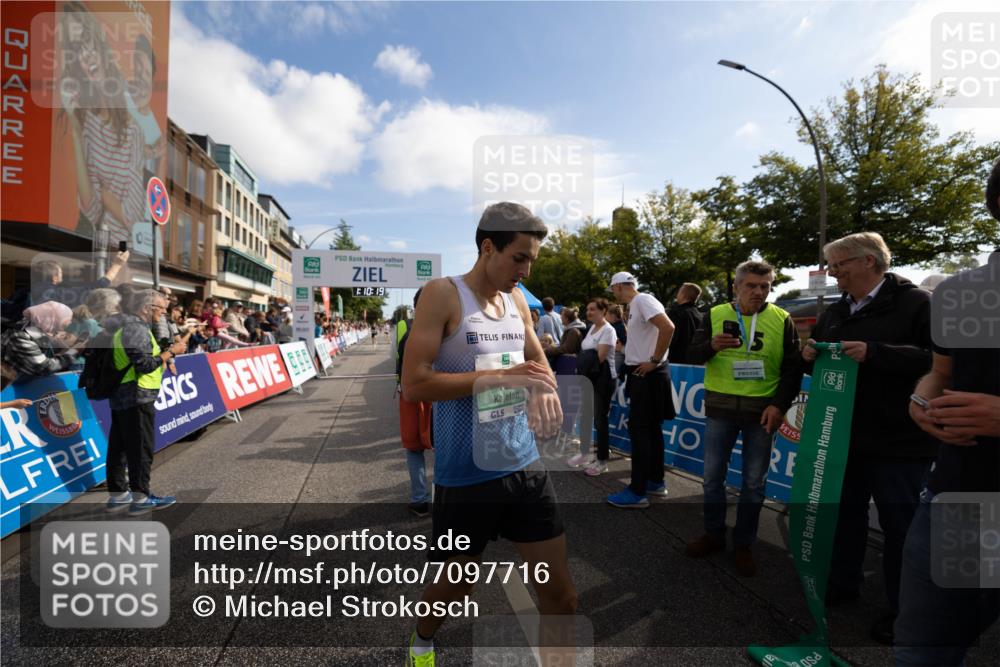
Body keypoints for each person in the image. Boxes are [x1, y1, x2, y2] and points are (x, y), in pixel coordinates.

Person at [401, 202, 575, 667]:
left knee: (561, 596)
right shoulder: (443, 294)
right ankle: (421, 639)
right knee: (454, 586)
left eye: (533, 259)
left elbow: (538, 368)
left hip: (523, 467)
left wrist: (542, 392)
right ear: (487, 246)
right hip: (466, 476)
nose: (526, 268)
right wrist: (504, 380)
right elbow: (414, 382)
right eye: (519, 257)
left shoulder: (517, 300)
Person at [801, 232, 936, 644]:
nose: (832, 273)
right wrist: (808, 357)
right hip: (845, 436)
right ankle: (843, 584)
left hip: (901, 441)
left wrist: (876, 352)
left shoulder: (919, 304)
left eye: (839, 265)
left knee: (901, 529)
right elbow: (824, 365)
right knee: (844, 517)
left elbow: (943, 359)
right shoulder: (836, 311)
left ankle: (905, 612)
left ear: (869, 262)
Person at [893, 160, 1000, 664]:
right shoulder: (964, 292)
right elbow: (941, 372)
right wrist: (922, 400)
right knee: (923, 653)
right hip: (958, 503)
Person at [684, 260, 801, 576]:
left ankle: (744, 544)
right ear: (736, 287)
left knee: (752, 483)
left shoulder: (782, 319)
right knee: (712, 479)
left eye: (765, 286)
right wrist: (711, 346)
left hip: (761, 413)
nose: (759, 292)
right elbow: (691, 354)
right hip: (721, 411)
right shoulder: (716, 314)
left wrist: (779, 405)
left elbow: (793, 368)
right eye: (751, 286)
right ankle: (714, 534)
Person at [58, 1, 145, 246]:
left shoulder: (132, 125)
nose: (85, 56)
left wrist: (131, 228)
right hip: (100, 243)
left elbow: (135, 197)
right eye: (76, 50)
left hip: (126, 247)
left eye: (87, 41)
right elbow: (92, 207)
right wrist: (76, 131)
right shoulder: (87, 124)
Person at [103, 289, 187, 514]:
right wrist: (171, 352)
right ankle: (141, 498)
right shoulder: (136, 329)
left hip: (124, 395)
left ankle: (119, 494)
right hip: (137, 395)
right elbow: (144, 365)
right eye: (161, 309)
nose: (163, 313)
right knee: (140, 449)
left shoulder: (127, 327)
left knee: (119, 447)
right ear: (146, 308)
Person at [605, 272, 676, 509]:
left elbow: (668, 327)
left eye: (613, 289)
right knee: (651, 432)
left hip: (648, 374)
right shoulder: (637, 304)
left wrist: (655, 360)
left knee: (641, 433)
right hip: (646, 374)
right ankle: (655, 481)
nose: (613, 294)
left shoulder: (643, 300)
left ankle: (637, 491)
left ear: (619, 286)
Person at [567, 298, 618, 476]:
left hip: (603, 380)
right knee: (586, 417)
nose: (588, 312)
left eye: (593, 309)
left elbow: (600, 358)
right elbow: (587, 355)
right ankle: (583, 454)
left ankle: (602, 460)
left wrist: (583, 361)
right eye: (587, 309)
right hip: (588, 378)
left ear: (603, 311)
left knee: (599, 420)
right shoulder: (591, 329)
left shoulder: (608, 330)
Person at [397, 289, 433, 517]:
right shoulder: (448, 329)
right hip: (441, 394)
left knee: (414, 448)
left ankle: (420, 500)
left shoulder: (407, 330)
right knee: (448, 446)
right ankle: (449, 499)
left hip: (413, 396)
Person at [1, 302, 79, 378]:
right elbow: (44, 367)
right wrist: (73, 352)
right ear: (51, 320)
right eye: (63, 324)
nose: (63, 328)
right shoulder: (20, 337)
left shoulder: (38, 330)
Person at [667, 282, 704, 365]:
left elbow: (670, 337)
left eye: (679, 291)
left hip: (675, 362)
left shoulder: (676, 312)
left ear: (683, 294)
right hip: (695, 362)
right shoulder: (701, 316)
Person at [607, 303, 627, 378]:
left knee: (612, 375)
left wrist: (620, 346)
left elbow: (625, 341)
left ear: (612, 316)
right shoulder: (617, 325)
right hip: (615, 354)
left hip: (618, 355)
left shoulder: (619, 327)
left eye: (606, 314)